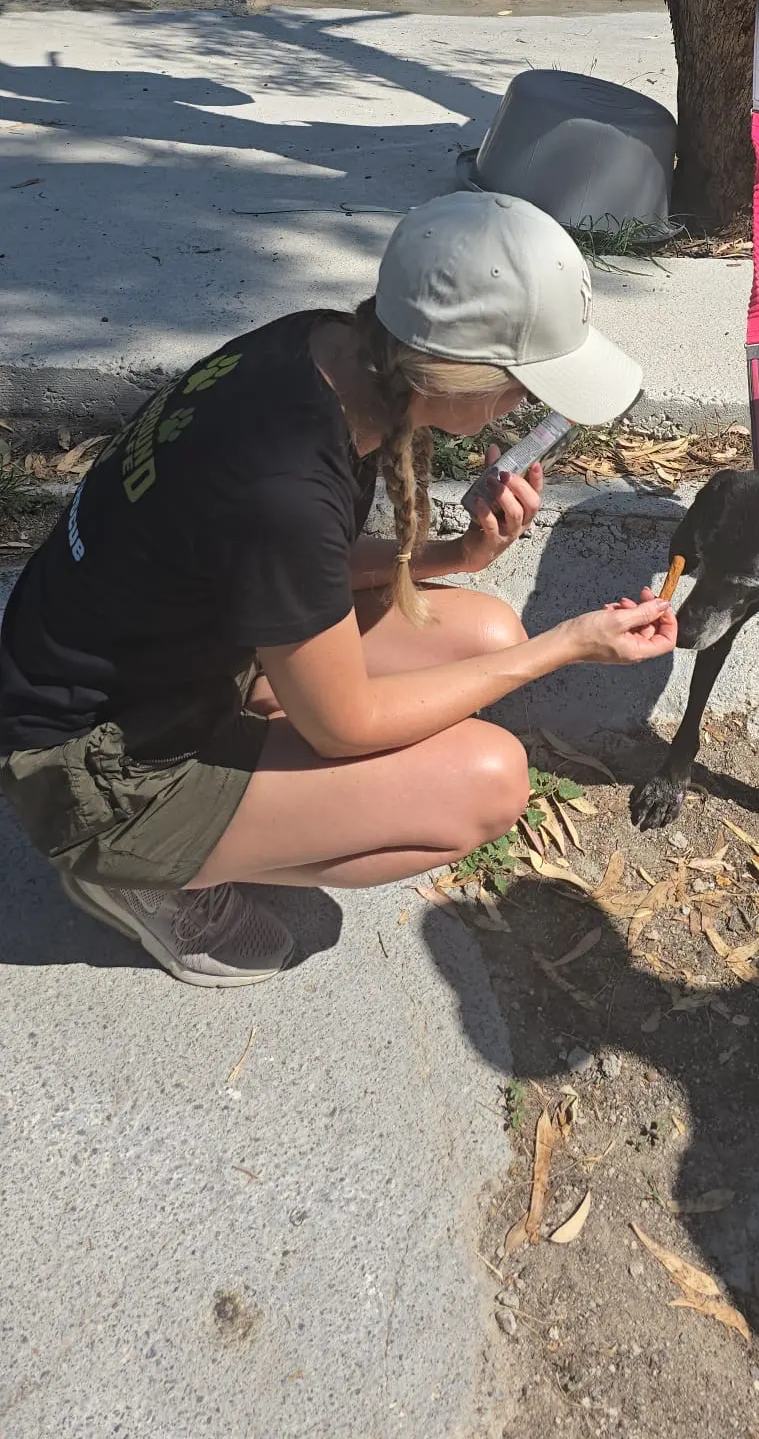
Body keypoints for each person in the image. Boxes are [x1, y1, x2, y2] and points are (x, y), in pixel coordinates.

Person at [0, 193, 677, 987]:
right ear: (455, 378)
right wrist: (565, 646)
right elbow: (343, 726)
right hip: (99, 767)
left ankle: (240, 753)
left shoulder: (323, 347)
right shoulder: (285, 484)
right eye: (523, 388)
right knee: (490, 784)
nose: (525, 409)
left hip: (163, 660)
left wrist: (455, 556)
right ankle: (140, 872)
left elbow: (289, 562)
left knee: (487, 633)